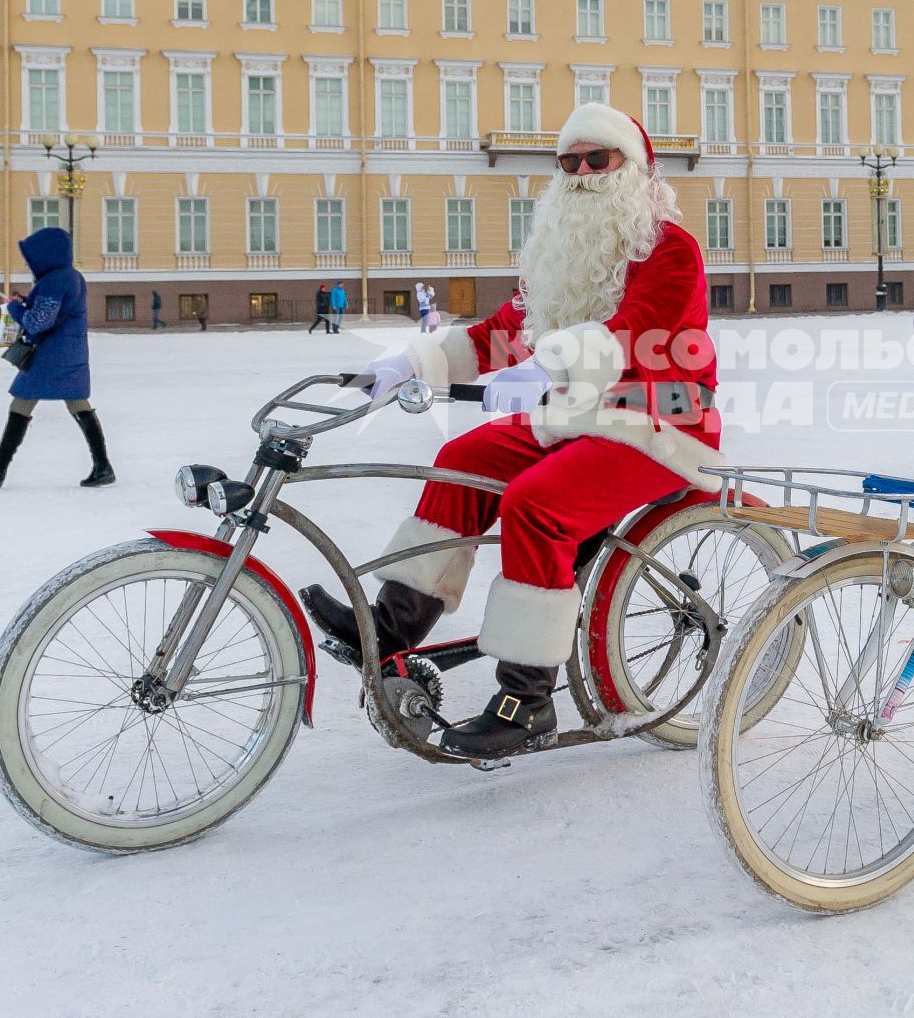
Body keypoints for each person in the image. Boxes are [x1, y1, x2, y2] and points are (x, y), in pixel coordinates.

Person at [304, 103, 722, 758]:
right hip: (574, 421)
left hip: (661, 424)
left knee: (537, 503)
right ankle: (390, 628)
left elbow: (638, 331)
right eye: (569, 162)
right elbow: (503, 332)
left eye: (598, 159)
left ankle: (527, 700)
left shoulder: (671, 248)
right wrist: (411, 362)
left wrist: (549, 365)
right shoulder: (562, 257)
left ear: (635, 168)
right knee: (459, 458)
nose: (582, 173)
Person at [0, 227, 115, 489]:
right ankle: (102, 465)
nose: (28, 263)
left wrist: (14, 308)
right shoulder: (70, 276)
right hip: (67, 352)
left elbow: (38, 322)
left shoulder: (55, 279)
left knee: (26, 401)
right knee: (74, 402)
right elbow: (50, 310)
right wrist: (25, 301)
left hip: (52, 355)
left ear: (46, 255)